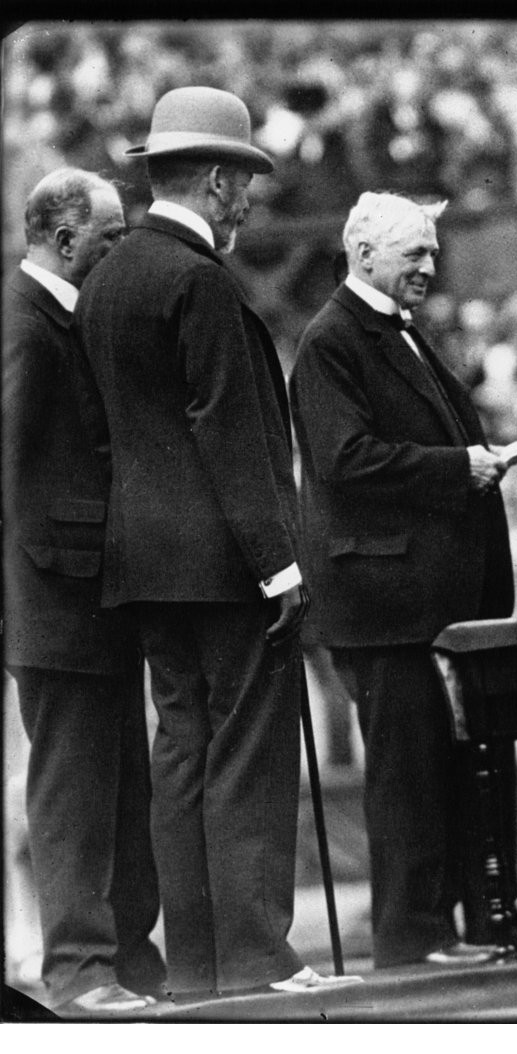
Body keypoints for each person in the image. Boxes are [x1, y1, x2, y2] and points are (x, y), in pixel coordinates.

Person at [73, 86, 354, 996]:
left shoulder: (107, 276)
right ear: (220, 182)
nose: (249, 204)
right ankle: (260, 956)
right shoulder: (197, 279)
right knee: (244, 757)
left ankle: (196, 963)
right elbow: (228, 432)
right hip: (225, 566)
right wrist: (280, 564)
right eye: (243, 185)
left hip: (144, 563)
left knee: (183, 756)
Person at [290, 192, 517, 967]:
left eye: (432, 252)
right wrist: (461, 467)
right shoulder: (334, 341)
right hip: (386, 606)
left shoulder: (396, 333)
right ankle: (412, 938)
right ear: (363, 255)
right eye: (414, 254)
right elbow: (345, 461)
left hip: (423, 601)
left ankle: (480, 923)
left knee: (447, 771)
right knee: (408, 781)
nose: (430, 265)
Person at [2, 169, 165, 1015]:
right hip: (53, 605)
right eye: (107, 237)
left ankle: (128, 962)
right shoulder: (25, 325)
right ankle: (78, 972)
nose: (117, 250)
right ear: (66, 241)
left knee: (121, 789)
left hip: (91, 603)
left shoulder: (62, 319)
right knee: (72, 798)